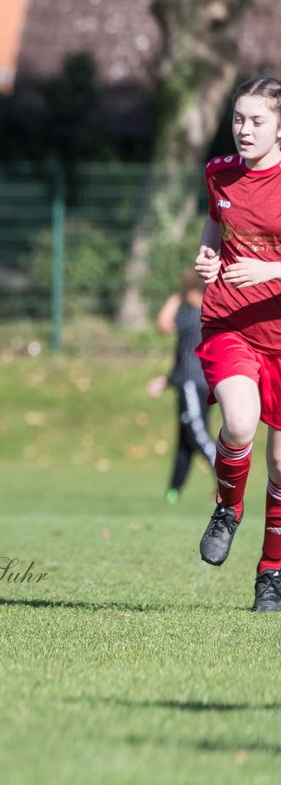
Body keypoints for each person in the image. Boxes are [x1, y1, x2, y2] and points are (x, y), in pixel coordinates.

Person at [193, 75, 281, 612]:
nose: (243, 130)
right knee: (240, 422)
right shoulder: (219, 173)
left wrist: (273, 267)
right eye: (238, 119)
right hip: (231, 324)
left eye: (257, 121)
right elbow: (213, 222)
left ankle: (271, 573)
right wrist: (207, 257)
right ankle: (227, 508)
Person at [145, 272, 215, 504]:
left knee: (197, 435)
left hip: (191, 384)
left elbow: (163, 325)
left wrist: (177, 296)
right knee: (185, 440)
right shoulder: (209, 315)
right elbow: (186, 356)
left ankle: (229, 478)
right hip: (200, 383)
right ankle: (173, 491)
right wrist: (166, 381)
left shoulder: (193, 314)